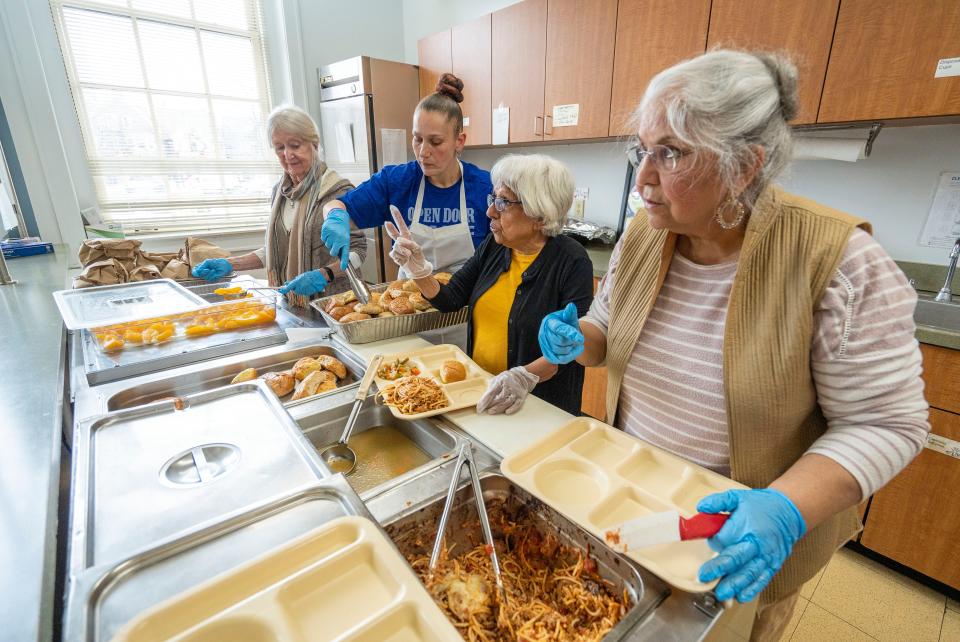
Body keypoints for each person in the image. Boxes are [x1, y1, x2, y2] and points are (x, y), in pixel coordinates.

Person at [538, 50, 929, 640]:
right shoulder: (645, 234)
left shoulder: (839, 262)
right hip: (634, 502)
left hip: (739, 536)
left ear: (744, 166)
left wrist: (787, 508)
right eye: (643, 149)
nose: (642, 177)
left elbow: (889, 424)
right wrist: (580, 341)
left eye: (670, 152)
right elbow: (605, 333)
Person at [387, 154, 593, 416]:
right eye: (493, 198)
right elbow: (450, 299)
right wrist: (418, 270)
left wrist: (523, 377)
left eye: (503, 202)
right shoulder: (495, 246)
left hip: (540, 406)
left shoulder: (571, 261)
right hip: (484, 392)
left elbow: (572, 345)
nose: (490, 211)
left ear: (540, 215)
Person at [319, 73, 491, 277]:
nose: (423, 152)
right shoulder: (396, 182)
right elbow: (337, 205)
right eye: (417, 139)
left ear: (459, 141)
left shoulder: (485, 188)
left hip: (467, 305)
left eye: (435, 142)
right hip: (407, 300)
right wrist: (335, 217)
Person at [192, 105, 366, 298]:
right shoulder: (280, 192)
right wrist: (231, 264)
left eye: (295, 145)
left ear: (314, 144)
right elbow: (278, 251)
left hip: (335, 301)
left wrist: (325, 274)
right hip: (292, 300)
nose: (287, 155)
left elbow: (358, 252)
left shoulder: (338, 191)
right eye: (280, 147)